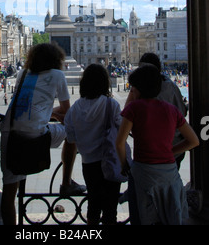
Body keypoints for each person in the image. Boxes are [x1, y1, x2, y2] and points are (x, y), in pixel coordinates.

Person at [0, 42, 85, 225]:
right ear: (57, 59)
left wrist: (49, 112)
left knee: (8, 195)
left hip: (9, 132)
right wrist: (53, 114)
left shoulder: (22, 74)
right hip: (36, 134)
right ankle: (66, 183)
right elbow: (67, 114)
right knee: (73, 131)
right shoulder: (58, 75)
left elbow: (29, 103)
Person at [116, 64, 199, 225]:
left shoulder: (134, 108)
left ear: (138, 88)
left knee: (141, 215)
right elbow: (193, 141)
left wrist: (124, 164)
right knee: (170, 215)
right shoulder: (172, 110)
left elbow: (119, 143)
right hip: (168, 171)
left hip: (143, 171)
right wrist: (170, 151)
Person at [64, 64, 122, 225]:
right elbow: (122, 130)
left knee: (93, 204)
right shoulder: (111, 104)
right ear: (105, 83)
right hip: (110, 161)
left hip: (88, 163)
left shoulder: (74, 108)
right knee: (111, 209)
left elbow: (70, 137)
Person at [138, 52, 188, 169]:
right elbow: (183, 112)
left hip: (157, 150)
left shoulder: (147, 92)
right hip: (176, 146)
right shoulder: (171, 85)